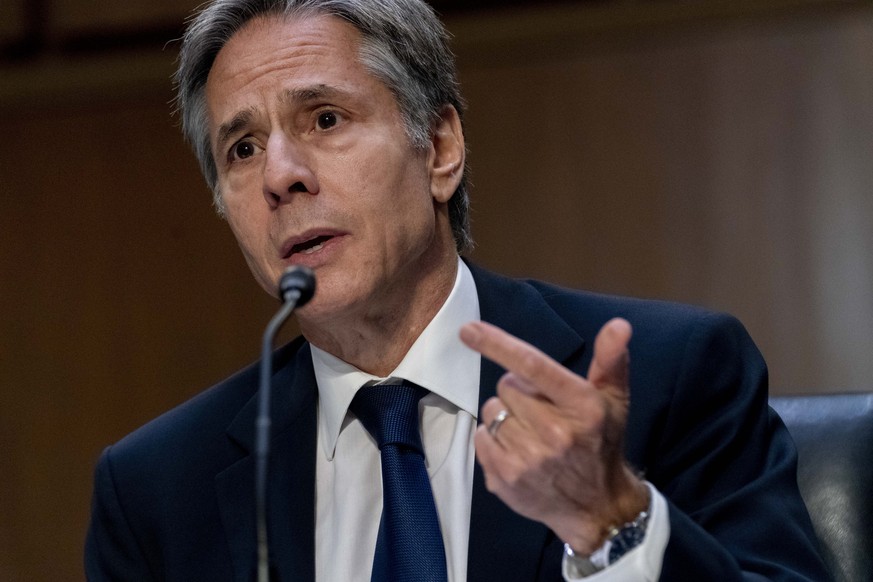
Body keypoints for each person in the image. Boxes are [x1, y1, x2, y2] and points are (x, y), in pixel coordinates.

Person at [85, 0, 831, 580]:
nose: (281, 175)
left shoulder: (671, 376)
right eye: (241, 149)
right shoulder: (157, 490)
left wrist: (612, 522)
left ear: (439, 149)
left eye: (325, 118)